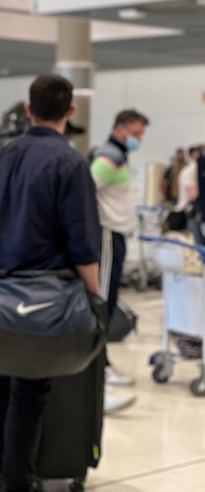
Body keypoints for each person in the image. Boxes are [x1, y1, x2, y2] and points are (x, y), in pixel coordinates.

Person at [0, 74, 101, 492]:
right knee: (31, 391)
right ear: (71, 111)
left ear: (28, 110)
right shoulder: (70, 164)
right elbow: (84, 243)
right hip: (42, 297)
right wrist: (95, 298)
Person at [90, 109, 149, 414]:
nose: (139, 139)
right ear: (121, 129)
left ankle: (103, 362)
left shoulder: (119, 157)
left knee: (110, 303)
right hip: (107, 236)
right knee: (102, 302)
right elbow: (87, 190)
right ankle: (96, 366)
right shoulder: (108, 157)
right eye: (137, 133)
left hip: (118, 235)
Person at [175, 147, 202, 244]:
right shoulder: (191, 171)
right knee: (198, 247)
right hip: (191, 214)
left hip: (195, 213)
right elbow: (193, 195)